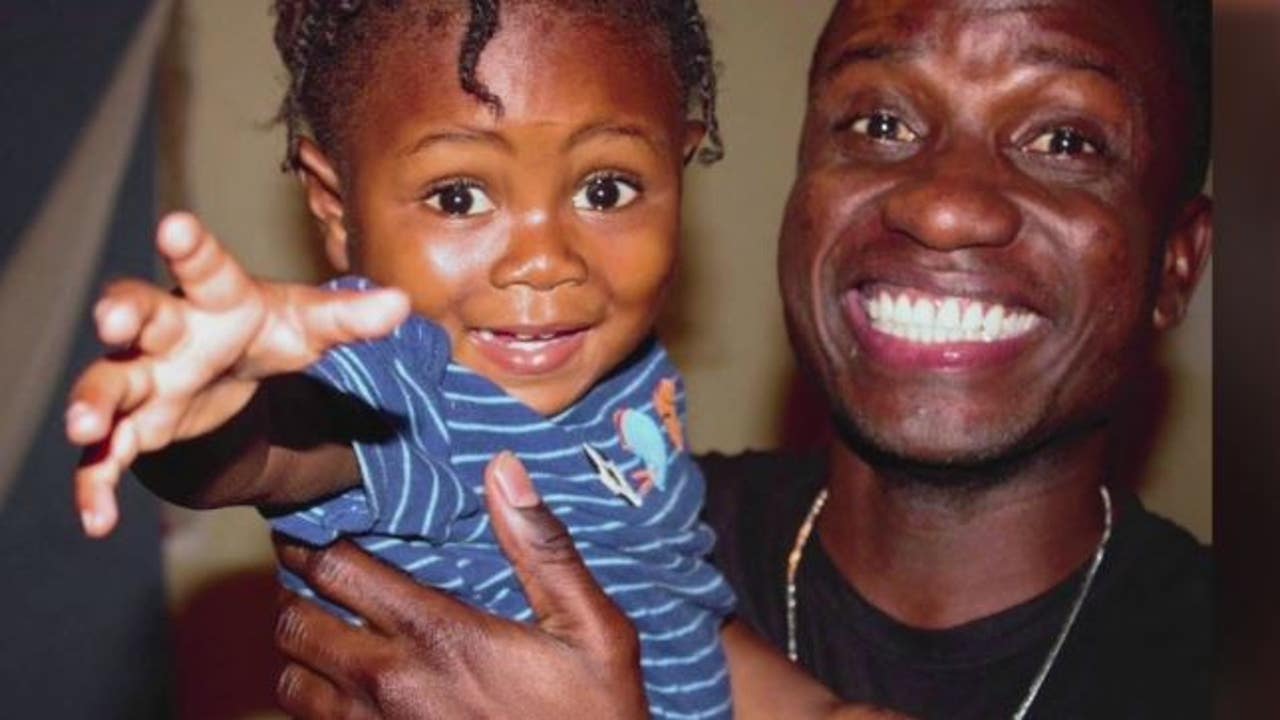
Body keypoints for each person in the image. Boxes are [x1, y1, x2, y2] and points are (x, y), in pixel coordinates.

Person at [262, 0, 1214, 718]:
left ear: (1180, 262)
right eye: (880, 123)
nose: (943, 206)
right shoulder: (614, 508)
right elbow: (291, 444)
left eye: (1065, 140)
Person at [65, 1, 902, 718]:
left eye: (604, 190)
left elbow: (675, 612)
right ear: (335, 208)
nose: (544, 260)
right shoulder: (405, 378)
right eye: (458, 196)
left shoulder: (636, 388)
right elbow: (274, 447)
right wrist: (210, 399)